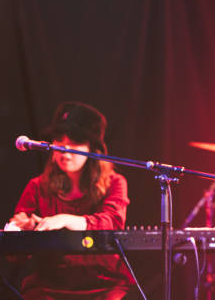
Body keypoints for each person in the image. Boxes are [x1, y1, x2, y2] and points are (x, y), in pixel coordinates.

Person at [9, 101, 134, 300]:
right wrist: (22, 229)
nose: (65, 149)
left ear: (93, 148)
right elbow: (15, 250)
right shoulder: (37, 185)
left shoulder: (115, 182)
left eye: (75, 141)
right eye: (59, 139)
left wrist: (65, 219)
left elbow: (112, 223)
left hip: (104, 284)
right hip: (51, 284)